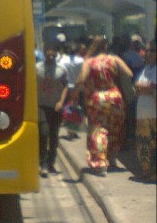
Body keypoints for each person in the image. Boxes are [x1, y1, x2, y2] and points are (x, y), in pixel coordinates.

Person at [73, 36, 134, 176]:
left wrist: (75, 95)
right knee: (115, 128)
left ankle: (100, 162)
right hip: (114, 97)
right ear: (106, 47)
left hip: (96, 99)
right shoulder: (115, 60)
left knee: (98, 130)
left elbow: (80, 80)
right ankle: (111, 158)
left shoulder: (89, 62)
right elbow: (129, 73)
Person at [36, 43, 69, 177]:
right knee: (43, 134)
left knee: (54, 136)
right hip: (41, 105)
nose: (51, 57)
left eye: (53, 55)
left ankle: (51, 163)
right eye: (48, 55)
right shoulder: (36, 68)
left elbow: (66, 86)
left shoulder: (61, 69)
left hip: (55, 106)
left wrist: (61, 101)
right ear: (44, 54)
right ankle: (42, 163)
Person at [134, 39, 156, 183]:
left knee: (152, 144)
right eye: (147, 51)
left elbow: (151, 87)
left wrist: (144, 88)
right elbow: (137, 85)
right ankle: (147, 172)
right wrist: (144, 88)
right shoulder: (147, 68)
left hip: (153, 115)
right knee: (144, 144)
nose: (147, 54)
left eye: (151, 51)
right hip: (143, 115)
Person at [58, 41, 84, 139]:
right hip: (77, 87)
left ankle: (69, 129)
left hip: (65, 87)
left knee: (66, 108)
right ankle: (73, 130)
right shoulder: (80, 60)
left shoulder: (62, 60)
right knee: (75, 109)